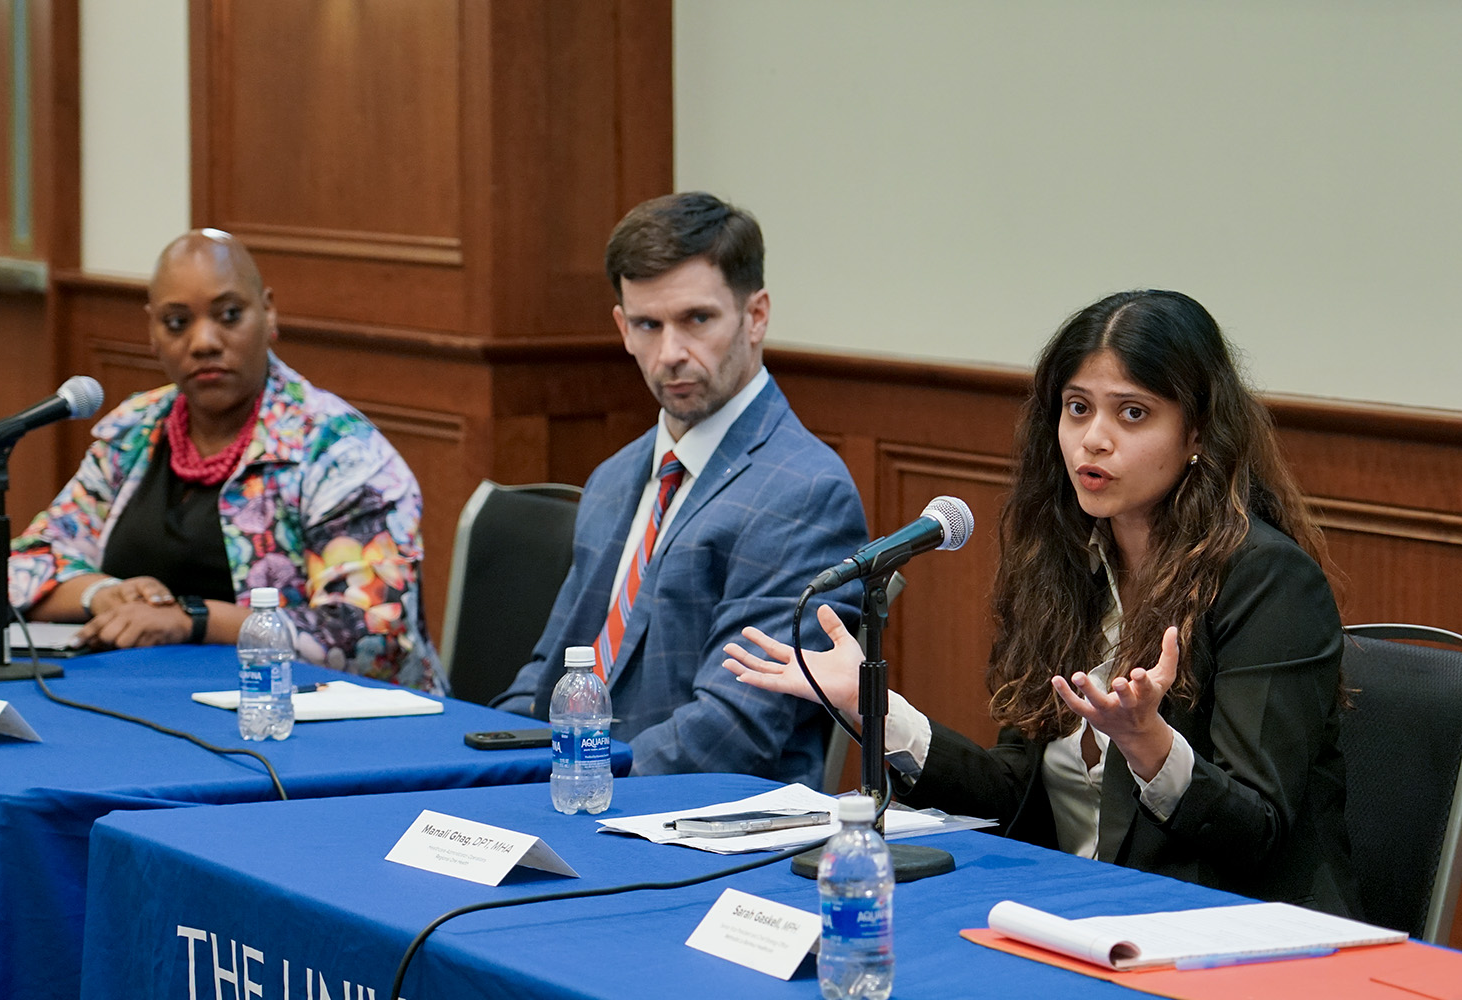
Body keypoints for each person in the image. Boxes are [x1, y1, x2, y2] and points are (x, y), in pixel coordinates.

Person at [725, 289, 1361, 915]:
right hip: (1071, 917)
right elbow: (1015, 792)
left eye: (1132, 414)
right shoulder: (1069, 564)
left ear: (1197, 431)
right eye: (1077, 408)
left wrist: (1150, 745)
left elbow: (1259, 833)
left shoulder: (1267, 581)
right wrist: (877, 710)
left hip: (1228, 935)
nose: (1094, 440)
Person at [492, 192, 868, 787]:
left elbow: (733, 729)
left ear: (756, 315)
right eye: (648, 325)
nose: (670, 354)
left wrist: (569, 783)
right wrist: (485, 770)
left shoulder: (805, 491)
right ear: (623, 329)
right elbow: (550, 670)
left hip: (699, 828)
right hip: (583, 797)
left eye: (697, 319)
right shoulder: (616, 476)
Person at [8, 229, 444, 694]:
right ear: (151, 331)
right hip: (148, 700)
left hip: (314, 723)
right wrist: (103, 594)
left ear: (269, 312)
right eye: (177, 323)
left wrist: (191, 620)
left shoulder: (341, 452)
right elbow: (24, 568)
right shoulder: (134, 429)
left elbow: (369, 637)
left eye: (229, 315)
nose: (204, 342)